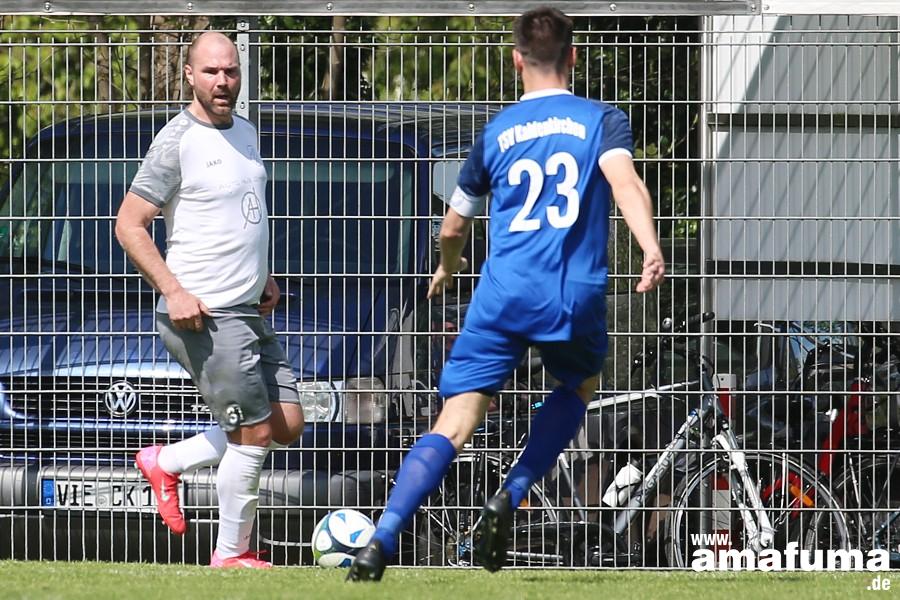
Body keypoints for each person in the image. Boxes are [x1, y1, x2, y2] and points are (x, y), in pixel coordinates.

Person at [347, 6, 665, 581]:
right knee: (579, 385)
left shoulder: (496, 132)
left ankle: (382, 538)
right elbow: (625, 182)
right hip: (570, 294)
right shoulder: (601, 120)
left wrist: (447, 269)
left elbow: (452, 227)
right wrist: (650, 246)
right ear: (573, 56)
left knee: (454, 420)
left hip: (501, 295)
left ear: (517, 60)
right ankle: (512, 493)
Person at [115, 31, 304, 569]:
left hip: (248, 308)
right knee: (253, 433)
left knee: (287, 424)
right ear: (189, 76)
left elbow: (238, 213)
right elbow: (128, 224)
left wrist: (264, 276)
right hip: (205, 313)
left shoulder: (245, 131)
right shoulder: (177, 141)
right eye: (211, 72)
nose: (223, 81)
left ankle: (167, 461)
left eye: (231, 71)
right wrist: (174, 291)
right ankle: (231, 554)